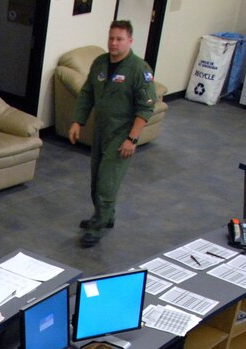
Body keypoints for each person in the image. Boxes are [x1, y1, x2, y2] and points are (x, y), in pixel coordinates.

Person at [69, 21, 157, 248]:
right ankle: (107, 216)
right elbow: (87, 93)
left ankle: (96, 227)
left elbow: (145, 108)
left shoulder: (139, 70)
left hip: (122, 134)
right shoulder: (100, 63)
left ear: (130, 41)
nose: (114, 43)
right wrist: (78, 122)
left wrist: (132, 139)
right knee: (97, 179)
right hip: (101, 131)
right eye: (111, 38)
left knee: (107, 184)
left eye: (119, 39)